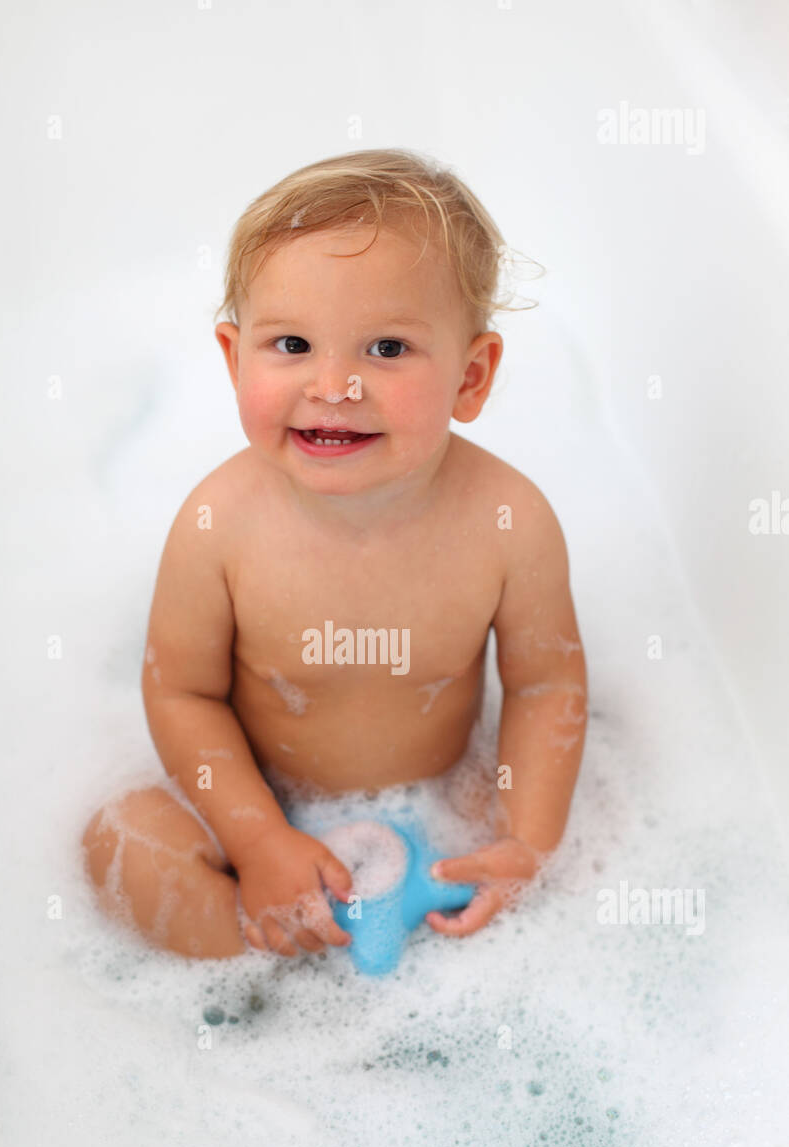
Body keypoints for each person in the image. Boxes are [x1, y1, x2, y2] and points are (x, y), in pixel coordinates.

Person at [81, 148, 588, 959]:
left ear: (472, 375)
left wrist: (526, 836)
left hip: (446, 816)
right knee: (121, 839)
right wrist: (257, 842)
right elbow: (182, 694)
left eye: (385, 349)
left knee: (577, 843)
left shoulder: (508, 521)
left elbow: (546, 682)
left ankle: (389, 966)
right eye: (291, 345)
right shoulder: (219, 524)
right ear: (232, 356)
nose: (334, 385)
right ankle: (274, 957)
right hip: (264, 802)